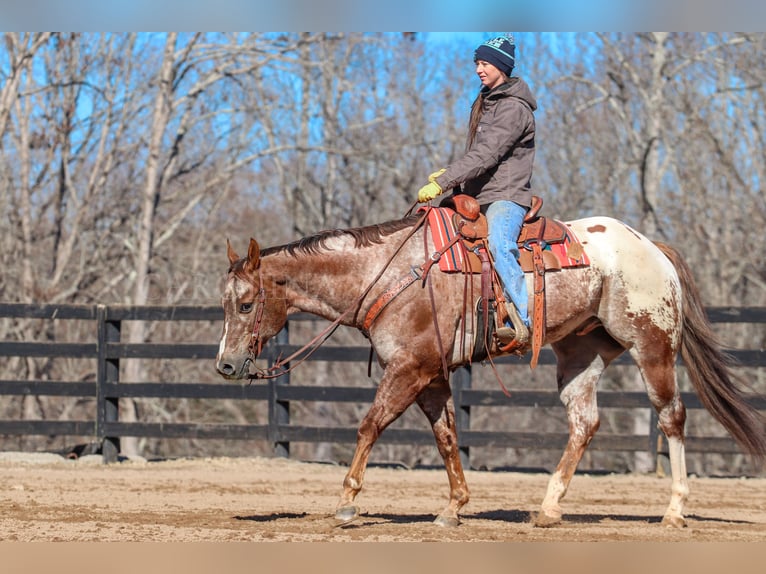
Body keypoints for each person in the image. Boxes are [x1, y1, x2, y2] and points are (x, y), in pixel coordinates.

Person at [417, 35, 537, 345]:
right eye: (477, 64)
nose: (479, 70)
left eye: (484, 64)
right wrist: (451, 176)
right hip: (480, 194)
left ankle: (522, 320)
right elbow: (482, 152)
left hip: (506, 196)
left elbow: (487, 154)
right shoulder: (488, 100)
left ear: (501, 66)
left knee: (499, 243)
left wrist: (442, 181)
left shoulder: (513, 108)